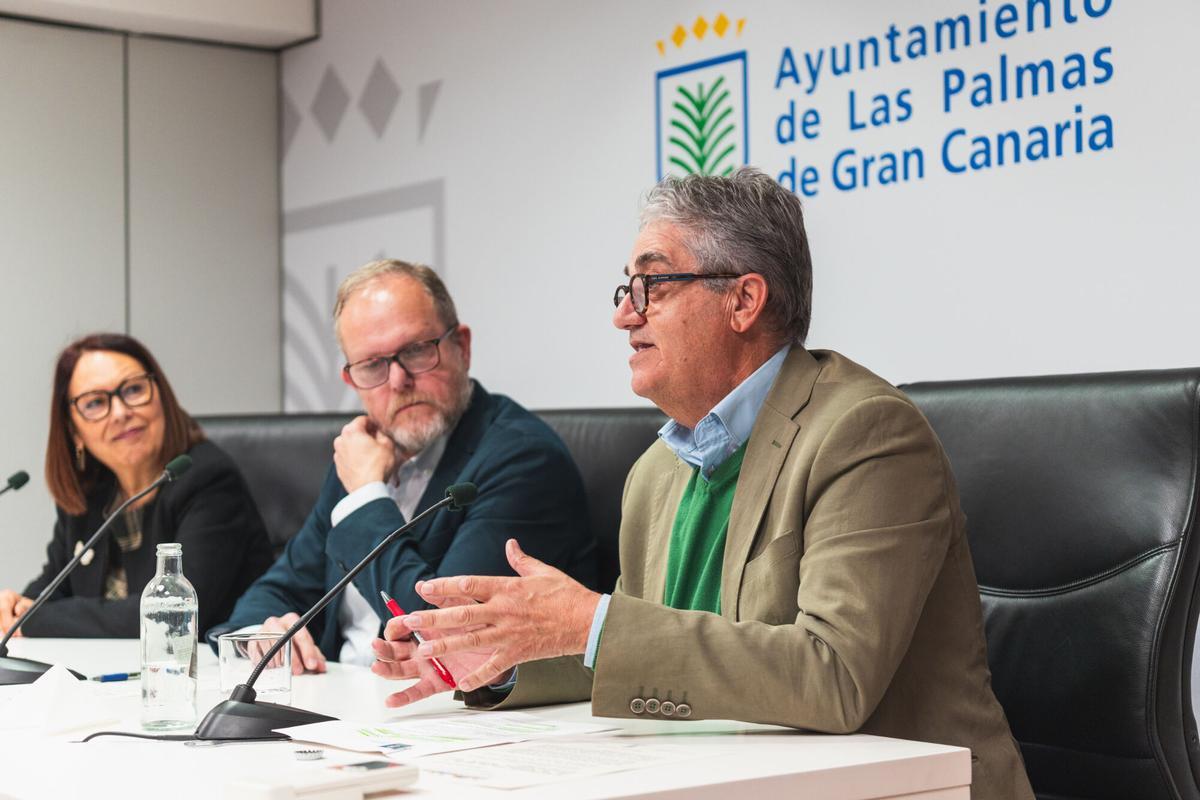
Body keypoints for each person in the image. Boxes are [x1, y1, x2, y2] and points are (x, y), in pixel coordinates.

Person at [371, 170, 1034, 799]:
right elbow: (647, 652)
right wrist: (506, 653)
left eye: (651, 288)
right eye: (625, 291)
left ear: (744, 300)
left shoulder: (865, 433)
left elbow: (835, 675)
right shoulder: (658, 472)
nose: (624, 317)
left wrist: (594, 621)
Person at [213, 259, 595, 674]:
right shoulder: (364, 453)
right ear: (352, 381)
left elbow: (444, 638)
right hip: (343, 699)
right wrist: (262, 632)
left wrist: (365, 497)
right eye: (372, 365)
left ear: (461, 347)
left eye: (415, 351)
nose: (397, 381)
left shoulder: (523, 459)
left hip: (459, 717)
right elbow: (274, 592)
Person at [0, 333, 274, 639]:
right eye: (94, 403)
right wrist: (17, 607)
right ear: (73, 430)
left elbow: (172, 616)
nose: (120, 412)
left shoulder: (208, 480)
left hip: (204, 676)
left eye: (133, 389)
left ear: (162, 397)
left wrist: (36, 619)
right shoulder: (90, 492)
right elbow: (56, 584)